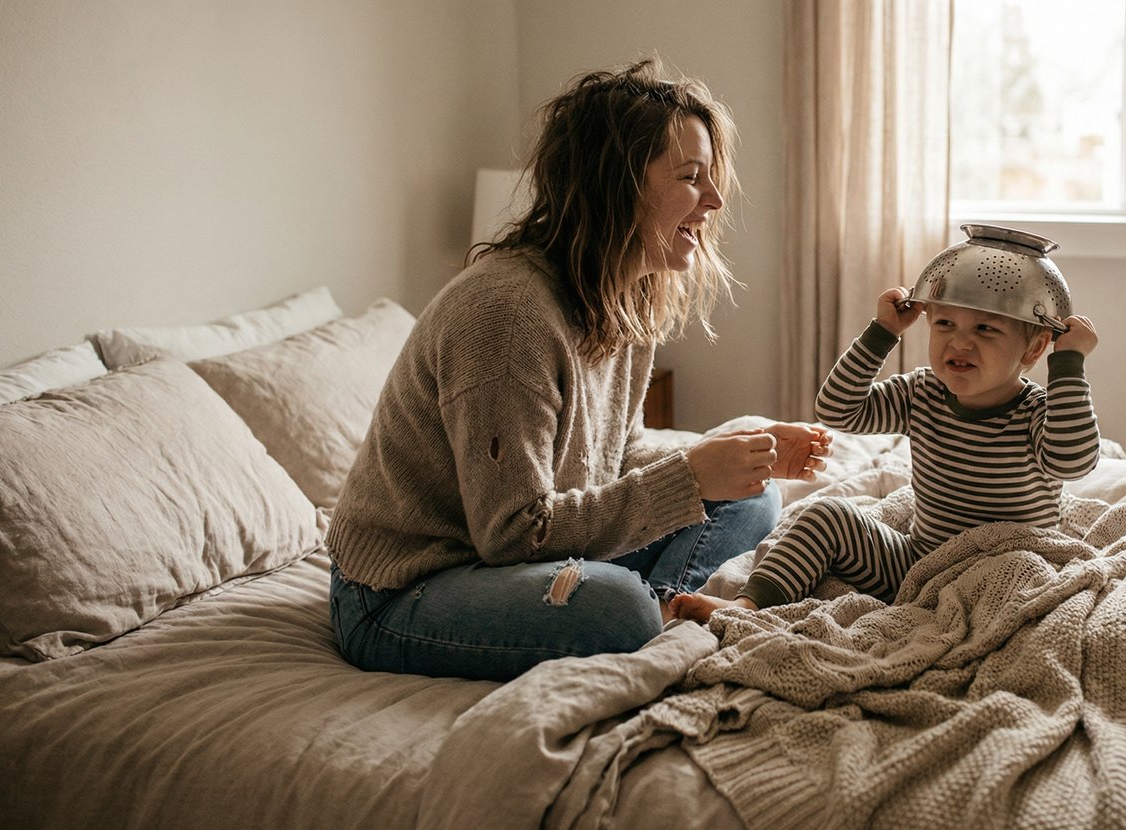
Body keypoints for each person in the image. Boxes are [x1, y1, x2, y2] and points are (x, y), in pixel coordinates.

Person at [325, 58, 831, 682]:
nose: (715, 200)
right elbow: (512, 535)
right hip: (408, 585)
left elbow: (616, 458)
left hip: (514, 555)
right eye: (691, 177)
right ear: (617, 184)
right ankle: (650, 610)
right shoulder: (505, 314)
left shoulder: (630, 292)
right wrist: (693, 477)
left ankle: (670, 606)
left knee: (753, 498)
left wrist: (726, 459)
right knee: (615, 611)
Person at [672, 287, 1099, 621]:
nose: (960, 342)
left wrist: (1068, 365)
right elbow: (839, 409)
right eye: (945, 323)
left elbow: (1073, 459)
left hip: (1005, 570)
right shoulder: (921, 393)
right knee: (825, 516)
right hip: (918, 563)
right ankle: (748, 607)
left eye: (985, 330)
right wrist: (883, 333)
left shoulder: (1041, 411)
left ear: (1033, 349)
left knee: (1022, 591)